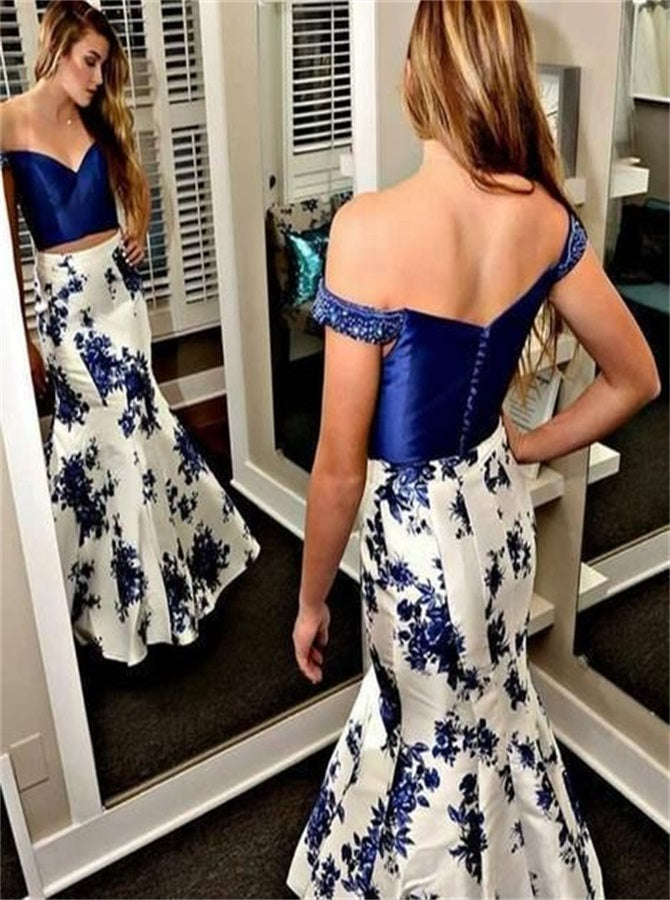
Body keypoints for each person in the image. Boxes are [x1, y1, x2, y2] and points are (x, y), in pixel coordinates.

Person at [288, 1, 660, 897]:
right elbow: (636, 377)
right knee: (492, 709)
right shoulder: (542, 214)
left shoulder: (368, 228)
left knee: (427, 736)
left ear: (421, 73)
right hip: (495, 511)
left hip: (418, 543)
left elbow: (338, 471)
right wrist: (525, 445)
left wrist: (308, 601)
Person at [1, 0, 260, 667]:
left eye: (103, 66)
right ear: (57, 47)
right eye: (90, 62)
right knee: (100, 434)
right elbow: (5, 248)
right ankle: (94, 596)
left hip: (121, 297)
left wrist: (135, 229)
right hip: (66, 308)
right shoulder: (7, 121)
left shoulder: (97, 117)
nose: (97, 78)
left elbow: (128, 191)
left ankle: (153, 593)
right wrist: (22, 337)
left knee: (135, 428)